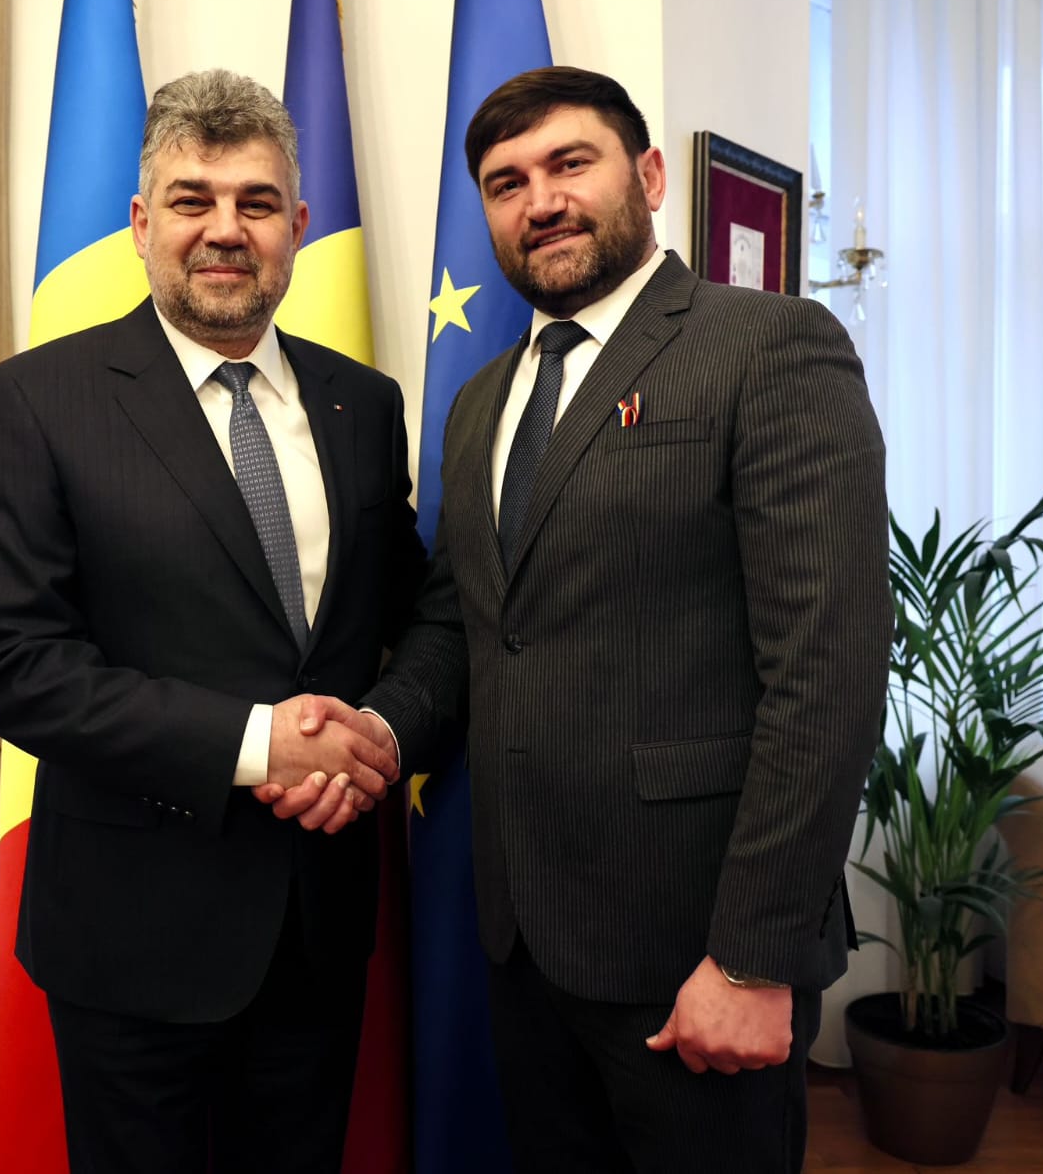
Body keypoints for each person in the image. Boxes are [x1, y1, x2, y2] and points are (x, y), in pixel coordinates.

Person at [286, 66, 892, 1172]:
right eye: (507, 182)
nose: (542, 201)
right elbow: (465, 627)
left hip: (698, 948)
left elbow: (827, 672)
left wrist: (752, 958)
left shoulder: (770, 345)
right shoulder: (479, 403)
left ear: (648, 176)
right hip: (525, 946)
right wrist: (377, 731)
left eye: (571, 164)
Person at [0, 68, 426, 1174]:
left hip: (317, 930)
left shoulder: (363, 405)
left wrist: (375, 737)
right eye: (192, 199)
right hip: (132, 942)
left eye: (256, 202)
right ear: (140, 223)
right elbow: (16, 665)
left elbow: (413, 617)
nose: (225, 229)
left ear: (298, 226)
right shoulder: (41, 400)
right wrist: (261, 744)